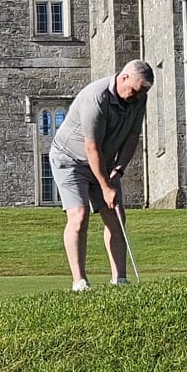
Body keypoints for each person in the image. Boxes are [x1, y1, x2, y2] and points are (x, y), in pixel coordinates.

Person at [48, 60, 154, 290]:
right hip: (70, 159)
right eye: (135, 91)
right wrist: (106, 187)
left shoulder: (139, 98)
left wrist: (118, 171)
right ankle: (80, 282)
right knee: (79, 215)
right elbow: (91, 147)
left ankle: (120, 280)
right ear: (123, 78)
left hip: (103, 162)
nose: (136, 97)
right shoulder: (96, 98)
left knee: (116, 217)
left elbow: (132, 137)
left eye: (142, 93)